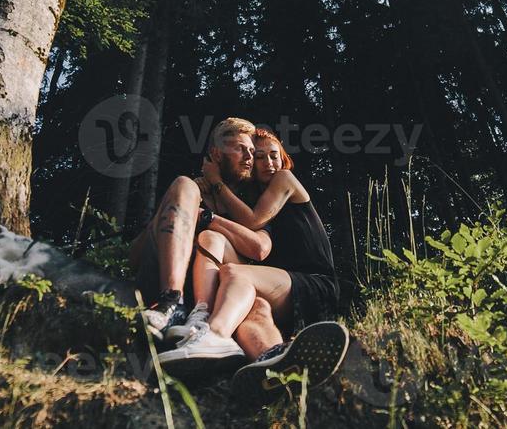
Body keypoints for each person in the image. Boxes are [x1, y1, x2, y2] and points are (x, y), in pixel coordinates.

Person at [157, 127, 348, 400]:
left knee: (236, 274)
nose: (269, 163)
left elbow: (253, 221)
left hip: (315, 284)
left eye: (274, 155)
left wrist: (215, 184)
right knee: (252, 306)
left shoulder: (284, 180)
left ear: (283, 159)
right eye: (260, 157)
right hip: (281, 289)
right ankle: (272, 362)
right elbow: (251, 232)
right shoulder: (253, 201)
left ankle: (214, 334)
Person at [128, 117, 270, 346]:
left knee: (258, 304)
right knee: (184, 184)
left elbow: (260, 248)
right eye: (240, 149)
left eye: (252, 151)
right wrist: (173, 209)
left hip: (221, 298)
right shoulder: (189, 192)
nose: (249, 157)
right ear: (216, 154)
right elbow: (134, 259)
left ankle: (269, 362)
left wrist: (206, 216)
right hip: (167, 290)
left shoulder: (252, 204)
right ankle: (171, 302)